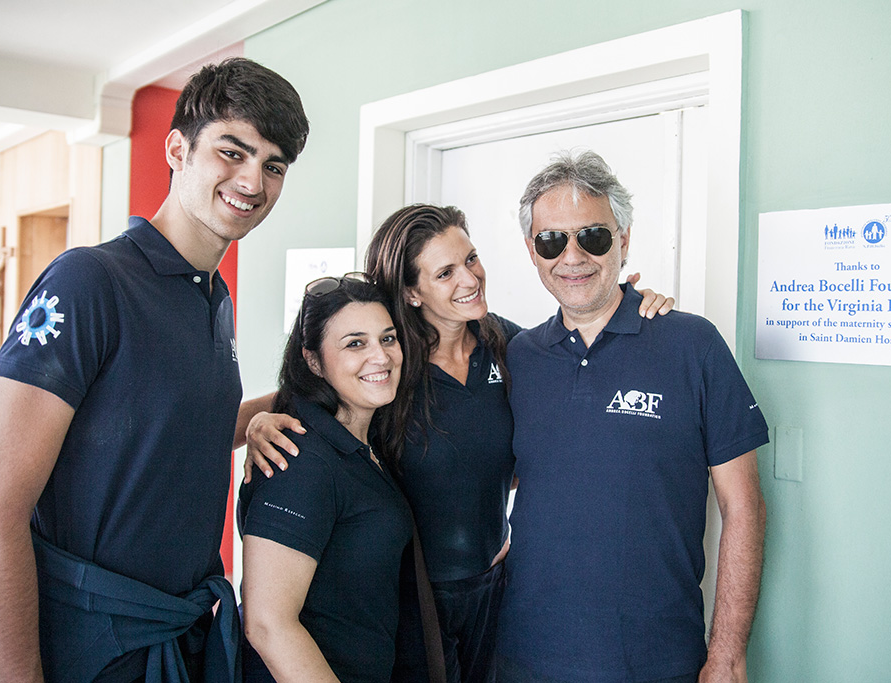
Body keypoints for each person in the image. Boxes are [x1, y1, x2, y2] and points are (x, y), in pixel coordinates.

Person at [0, 58, 308, 682]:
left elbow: (165, 429)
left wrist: (285, 408)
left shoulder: (213, 299)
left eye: (273, 166)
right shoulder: (88, 282)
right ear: (177, 149)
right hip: (91, 647)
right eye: (232, 152)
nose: (252, 180)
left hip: (182, 636)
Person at [245, 205, 673, 683]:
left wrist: (626, 306)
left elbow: (578, 373)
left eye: (470, 259)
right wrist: (259, 422)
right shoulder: (390, 363)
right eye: (445, 272)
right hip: (413, 597)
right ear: (412, 292)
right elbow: (312, 392)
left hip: (493, 586)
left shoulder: (506, 344)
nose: (470, 278)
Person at [495, 151, 769, 683]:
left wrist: (727, 655)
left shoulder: (691, 344)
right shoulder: (519, 355)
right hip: (523, 655)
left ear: (624, 239)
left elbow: (744, 508)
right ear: (532, 250)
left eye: (593, 236)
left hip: (655, 658)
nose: (572, 256)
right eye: (551, 241)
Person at [239, 275, 412, 683]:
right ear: (313, 361)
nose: (380, 356)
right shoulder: (300, 458)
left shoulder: (366, 444)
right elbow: (267, 624)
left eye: (387, 339)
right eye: (355, 344)